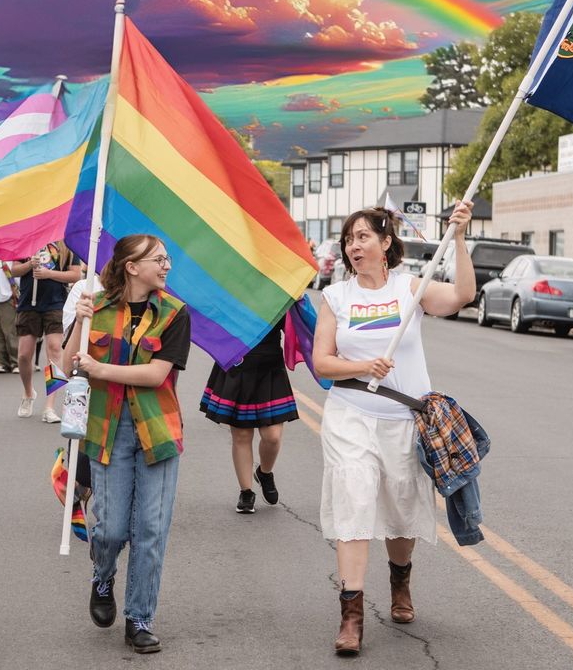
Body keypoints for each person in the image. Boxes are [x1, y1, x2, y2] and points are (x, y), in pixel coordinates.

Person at [313, 203, 475, 656]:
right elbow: (322, 361)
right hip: (350, 416)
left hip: (404, 419)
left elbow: (463, 294)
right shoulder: (336, 297)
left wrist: (459, 237)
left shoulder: (411, 288)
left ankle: (400, 580)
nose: (353, 246)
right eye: (348, 239)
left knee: (402, 509)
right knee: (355, 501)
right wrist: (365, 365)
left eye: (362, 237)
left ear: (386, 244)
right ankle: (351, 616)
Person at [63, 235, 191, 655]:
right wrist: (80, 322)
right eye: (158, 259)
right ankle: (103, 575)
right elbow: (68, 368)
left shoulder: (174, 312)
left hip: (157, 430)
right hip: (107, 429)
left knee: (150, 530)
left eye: (167, 258)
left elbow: (157, 375)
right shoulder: (94, 308)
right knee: (113, 528)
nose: (166, 265)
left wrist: (101, 367)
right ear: (132, 267)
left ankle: (140, 618)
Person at [200, 316, 296, 513]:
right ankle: (246, 492)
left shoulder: (281, 291)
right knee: (242, 435)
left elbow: (297, 330)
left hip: (270, 367)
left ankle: (264, 473)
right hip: (236, 363)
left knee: (272, 437)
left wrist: (299, 303)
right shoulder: (232, 288)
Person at [13, 241, 81, 422]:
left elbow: (76, 274)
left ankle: (49, 407)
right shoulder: (29, 239)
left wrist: (49, 274)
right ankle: (28, 393)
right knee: (24, 355)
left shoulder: (67, 244)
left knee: (54, 351)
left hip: (56, 304)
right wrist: (30, 264)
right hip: (28, 303)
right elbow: (13, 270)